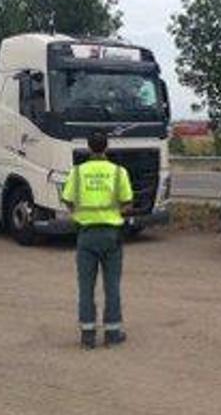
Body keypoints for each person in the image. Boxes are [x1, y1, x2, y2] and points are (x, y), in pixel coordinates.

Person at [61, 131, 134, 349]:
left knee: (86, 287)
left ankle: (88, 335)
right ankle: (112, 334)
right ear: (106, 147)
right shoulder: (118, 172)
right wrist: (114, 212)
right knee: (112, 286)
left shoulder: (78, 172)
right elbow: (128, 202)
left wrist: (79, 214)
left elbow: (67, 200)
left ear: (89, 147)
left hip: (86, 234)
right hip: (111, 235)